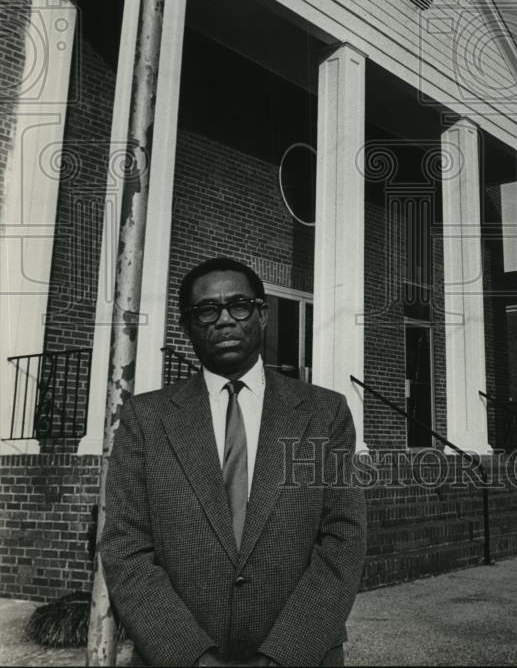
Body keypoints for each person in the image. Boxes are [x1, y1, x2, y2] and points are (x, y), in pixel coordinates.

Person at [101, 256, 367, 667]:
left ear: (262, 315)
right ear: (187, 325)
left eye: (239, 306)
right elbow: (125, 546)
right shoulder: (145, 419)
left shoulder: (323, 414)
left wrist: (285, 655)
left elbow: (342, 540)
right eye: (207, 310)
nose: (225, 320)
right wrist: (190, 657)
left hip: (302, 655)